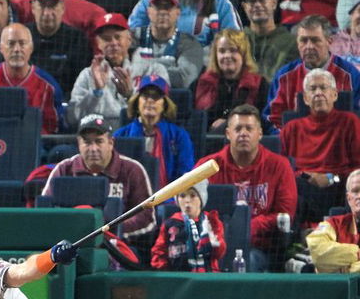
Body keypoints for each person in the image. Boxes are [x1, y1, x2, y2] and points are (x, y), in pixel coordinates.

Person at [196, 104, 297, 258]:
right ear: (228, 134)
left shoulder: (280, 166)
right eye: (238, 129)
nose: (243, 133)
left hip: (261, 248)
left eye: (249, 129)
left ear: (260, 133)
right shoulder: (206, 167)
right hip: (214, 244)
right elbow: (190, 205)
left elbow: (285, 214)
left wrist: (248, 226)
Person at [41, 115, 157, 245]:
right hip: (70, 243)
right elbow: (45, 213)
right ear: (79, 144)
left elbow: (147, 217)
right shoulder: (63, 169)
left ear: (111, 143)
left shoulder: (133, 170)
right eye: (87, 142)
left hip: (119, 245)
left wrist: (111, 230)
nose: (93, 148)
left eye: (99, 141)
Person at [281, 68, 360, 225]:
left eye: (323, 88)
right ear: (305, 98)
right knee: (290, 187)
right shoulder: (291, 128)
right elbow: (281, 167)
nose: (318, 93)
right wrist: (307, 176)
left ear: (334, 95)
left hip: (338, 184)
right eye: (312, 89)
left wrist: (331, 178)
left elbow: (357, 167)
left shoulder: (349, 122)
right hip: (303, 185)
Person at [68, 11, 169, 125]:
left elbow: (164, 111)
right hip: (100, 136)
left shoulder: (154, 71)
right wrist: (96, 93)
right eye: (106, 39)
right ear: (98, 43)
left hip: (140, 134)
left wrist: (130, 95)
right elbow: (72, 118)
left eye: (118, 37)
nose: (113, 43)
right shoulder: (88, 75)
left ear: (129, 39)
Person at [0, 23, 62, 135]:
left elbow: (52, 129)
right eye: (11, 43)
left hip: (33, 147)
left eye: (22, 43)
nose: (17, 49)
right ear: (1, 48)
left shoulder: (48, 86)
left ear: (31, 48)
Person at [266, 14, 360, 128]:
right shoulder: (283, 76)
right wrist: (288, 138)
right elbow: (272, 119)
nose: (309, 46)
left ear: (329, 41)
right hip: (295, 142)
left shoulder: (350, 74)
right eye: (303, 41)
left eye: (315, 40)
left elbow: (356, 118)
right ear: (297, 42)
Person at [114, 75, 195, 188]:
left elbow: (185, 175)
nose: (150, 100)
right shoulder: (120, 136)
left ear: (165, 104)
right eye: (145, 95)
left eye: (156, 96)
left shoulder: (179, 136)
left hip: (169, 199)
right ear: (137, 101)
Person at [128, 0, 205, 92]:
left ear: (178, 12)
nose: (163, 12)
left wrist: (139, 69)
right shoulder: (133, 37)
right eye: (158, 6)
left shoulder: (190, 44)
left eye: (168, 7)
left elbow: (182, 80)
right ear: (148, 11)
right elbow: (119, 68)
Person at [22, 0, 91, 99]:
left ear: (63, 8)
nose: (47, 13)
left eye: (53, 6)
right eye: (42, 5)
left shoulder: (77, 39)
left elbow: (83, 84)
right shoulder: (21, 36)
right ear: (33, 8)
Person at [150, 175, 226, 272]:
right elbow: (159, 251)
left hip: (207, 277)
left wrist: (215, 242)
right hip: (177, 278)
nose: (187, 200)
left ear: (201, 198)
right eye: (182, 195)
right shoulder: (169, 224)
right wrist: (164, 271)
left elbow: (219, 253)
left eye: (193, 195)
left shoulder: (211, 221)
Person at [195, 29, 267, 128]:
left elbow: (262, 121)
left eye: (233, 50)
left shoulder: (259, 84)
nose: (227, 56)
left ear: (244, 54)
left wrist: (227, 123)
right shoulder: (201, 83)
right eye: (222, 51)